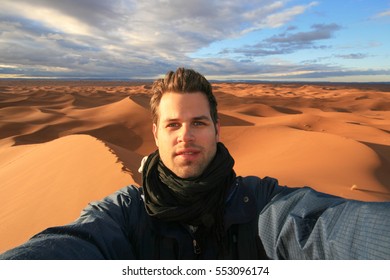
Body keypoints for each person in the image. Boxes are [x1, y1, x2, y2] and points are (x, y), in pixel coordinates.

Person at [1, 68, 390, 260]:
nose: (185, 135)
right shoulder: (126, 213)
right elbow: (75, 244)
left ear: (217, 130)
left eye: (198, 123)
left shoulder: (257, 202)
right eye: (172, 124)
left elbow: (319, 227)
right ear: (155, 133)